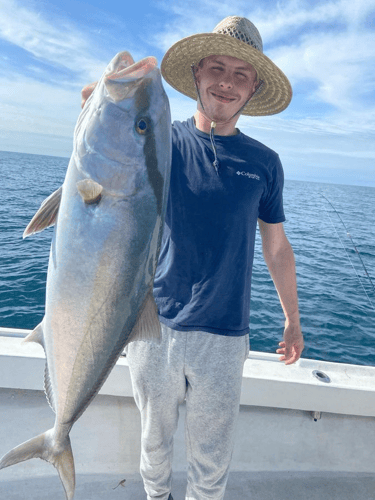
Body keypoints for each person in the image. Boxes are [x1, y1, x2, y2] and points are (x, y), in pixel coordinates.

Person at [83, 15, 304, 500]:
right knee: (154, 449)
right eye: (217, 68)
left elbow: (277, 246)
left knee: (211, 463)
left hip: (225, 336)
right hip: (151, 325)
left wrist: (292, 318)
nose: (226, 82)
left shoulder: (265, 163)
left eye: (240, 74)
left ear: (253, 88)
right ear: (197, 74)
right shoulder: (161, 141)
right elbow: (109, 161)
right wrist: (99, 109)